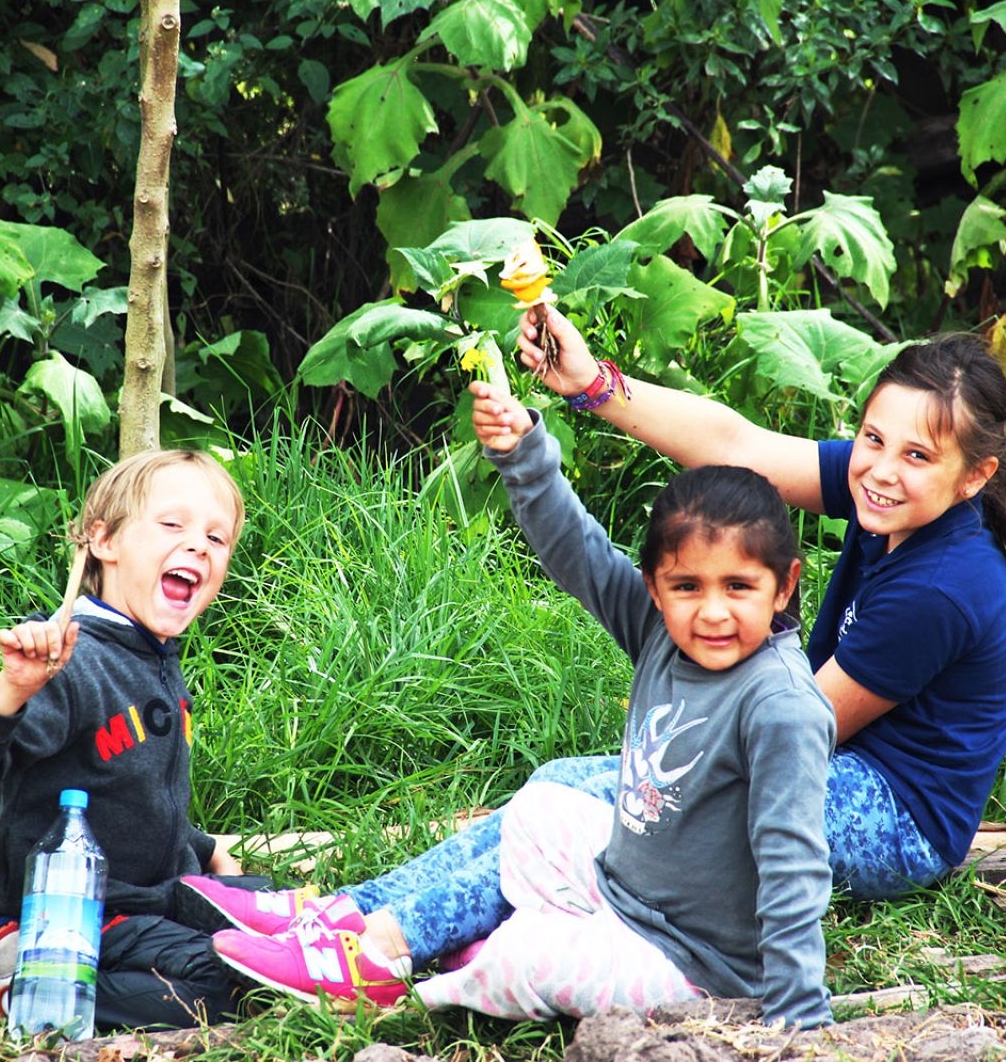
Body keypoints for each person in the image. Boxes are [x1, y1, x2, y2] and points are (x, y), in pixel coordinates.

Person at [178, 309, 1006, 1005]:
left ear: (973, 476)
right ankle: (343, 912)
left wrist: (653, 767)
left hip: (896, 813)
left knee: (614, 798)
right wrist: (590, 381)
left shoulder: (942, 585)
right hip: (831, 753)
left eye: (916, 455)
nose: (881, 468)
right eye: (873, 440)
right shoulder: (895, 496)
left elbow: (792, 733)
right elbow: (740, 449)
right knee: (576, 780)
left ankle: (375, 950)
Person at [210, 382, 836, 1024]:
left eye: (739, 586)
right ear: (653, 587)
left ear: (784, 586)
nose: (711, 611)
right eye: (687, 585)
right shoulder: (660, 632)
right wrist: (523, 453)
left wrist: (798, 1014)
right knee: (540, 810)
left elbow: (794, 865)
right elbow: (580, 553)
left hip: (697, 963)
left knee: (525, 961)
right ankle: (492, 940)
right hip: (627, 894)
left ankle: (401, 992)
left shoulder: (781, 705)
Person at [0, 448, 271, 1030]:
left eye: (217, 538)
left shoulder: (156, 660)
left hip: (155, 898)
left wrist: (205, 848)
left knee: (298, 925)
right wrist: (9, 693)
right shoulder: (71, 662)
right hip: (72, 915)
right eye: (172, 525)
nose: (198, 546)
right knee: (234, 981)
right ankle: (21, 981)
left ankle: (83, 975)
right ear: (104, 541)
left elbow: (130, 790)